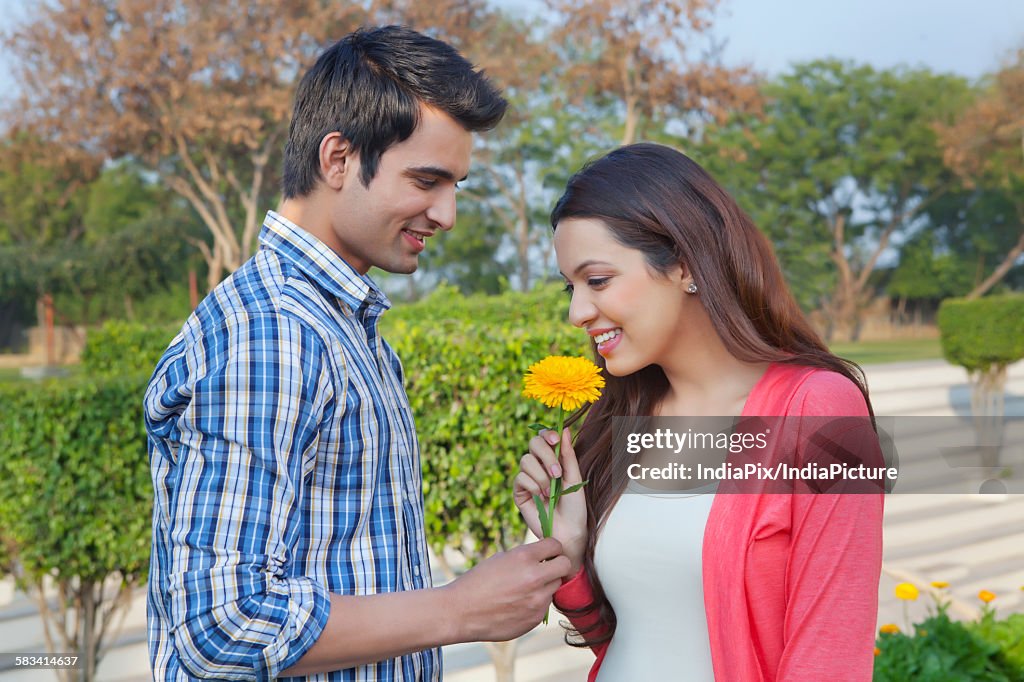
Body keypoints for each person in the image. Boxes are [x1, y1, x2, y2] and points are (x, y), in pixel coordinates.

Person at [144, 26, 570, 681]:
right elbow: (221, 625)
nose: (447, 213)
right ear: (338, 159)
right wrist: (458, 610)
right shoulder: (277, 332)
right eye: (427, 180)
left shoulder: (336, 324)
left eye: (455, 183)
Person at [513, 143, 884, 681]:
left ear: (685, 265)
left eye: (597, 281)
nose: (577, 312)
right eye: (569, 287)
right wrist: (569, 553)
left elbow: (829, 656)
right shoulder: (622, 418)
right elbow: (634, 638)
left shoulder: (820, 410)